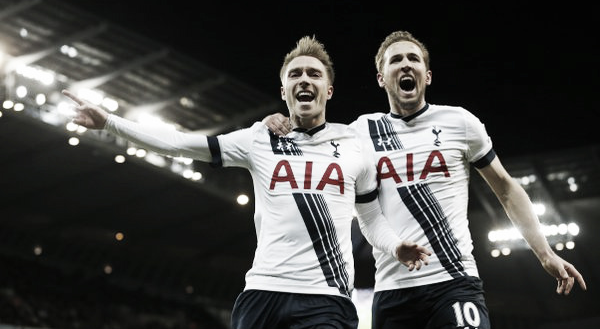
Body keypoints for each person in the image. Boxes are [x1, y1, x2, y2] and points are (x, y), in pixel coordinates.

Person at [62, 35, 432, 329]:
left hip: (327, 298)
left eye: (314, 74)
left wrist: (395, 246)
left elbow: (370, 218)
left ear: (329, 91)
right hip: (263, 291)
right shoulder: (259, 139)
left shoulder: (355, 145)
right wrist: (110, 122)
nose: (305, 79)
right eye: (295, 75)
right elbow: (178, 144)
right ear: (284, 91)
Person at [263, 30, 587, 329]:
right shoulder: (360, 132)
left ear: (427, 75)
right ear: (381, 78)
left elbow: (505, 188)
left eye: (413, 59)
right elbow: (309, 145)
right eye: (396, 60)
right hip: (393, 291)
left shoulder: (459, 122)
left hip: (455, 282)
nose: (406, 65)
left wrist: (545, 253)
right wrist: (276, 122)